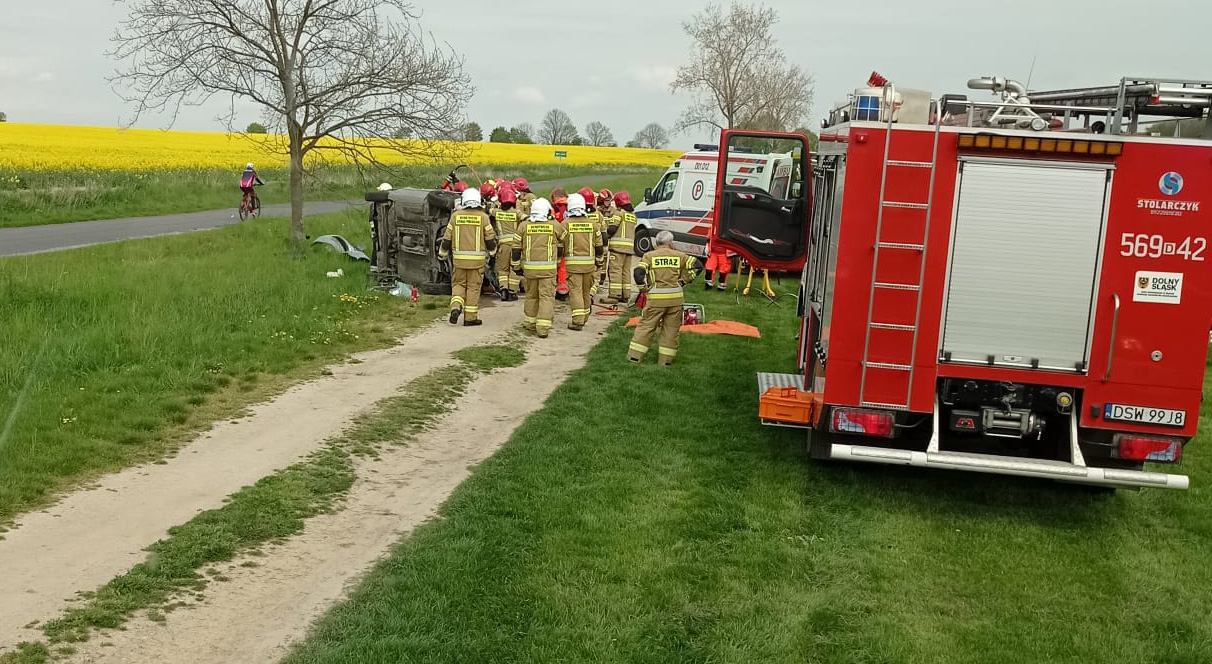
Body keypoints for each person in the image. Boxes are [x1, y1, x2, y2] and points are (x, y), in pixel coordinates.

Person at [628, 230, 700, 365]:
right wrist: (684, 281)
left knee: (646, 326)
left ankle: (635, 357)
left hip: (656, 299)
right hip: (676, 298)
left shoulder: (649, 256)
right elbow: (697, 266)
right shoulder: (680, 256)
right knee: (671, 330)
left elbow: (638, 273)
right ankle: (665, 361)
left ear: (656, 242)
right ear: (671, 243)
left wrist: (643, 288)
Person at [438, 188, 497, 326]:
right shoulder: (483, 217)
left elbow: (446, 239)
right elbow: (490, 239)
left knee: (458, 285)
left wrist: (442, 254)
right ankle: (470, 318)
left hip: (459, 261)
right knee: (473, 288)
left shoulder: (455, 216)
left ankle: (456, 307)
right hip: (476, 263)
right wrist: (493, 254)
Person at [512, 197, 566, 338]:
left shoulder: (523, 226)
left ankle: (530, 323)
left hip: (529, 270)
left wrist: (517, 266)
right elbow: (565, 239)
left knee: (531, 296)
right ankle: (542, 327)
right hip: (548, 271)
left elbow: (516, 249)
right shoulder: (554, 225)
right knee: (546, 297)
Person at [561, 193, 604, 330]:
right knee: (586, 291)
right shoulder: (593, 224)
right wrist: (599, 262)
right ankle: (584, 317)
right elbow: (599, 247)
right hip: (589, 265)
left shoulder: (565, 224)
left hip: (573, 266)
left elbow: (560, 246)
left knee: (576, 291)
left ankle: (578, 321)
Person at [603, 190, 638, 305]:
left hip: (618, 248)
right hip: (629, 249)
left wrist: (604, 236)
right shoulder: (633, 216)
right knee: (625, 272)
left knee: (615, 271)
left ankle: (614, 295)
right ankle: (625, 295)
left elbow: (612, 229)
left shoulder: (619, 214)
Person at [493, 183, 523, 301]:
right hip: (516, 245)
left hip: (503, 246)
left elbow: (488, 210)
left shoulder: (496, 212)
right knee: (514, 269)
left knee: (503, 269)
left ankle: (504, 290)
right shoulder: (517, 213)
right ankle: (512, 292)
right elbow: (526, 217)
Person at [594, 189, 616, 294]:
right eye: (606, 201)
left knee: (604, 262)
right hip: (598, 239)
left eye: (609, 200)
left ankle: (600, 282)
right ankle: (596, 283)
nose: (608, 203)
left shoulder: (613, 211)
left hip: (606, 239)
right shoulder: (596, 211)